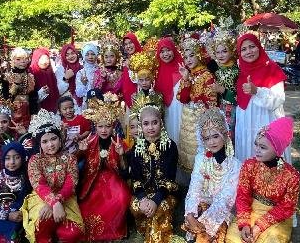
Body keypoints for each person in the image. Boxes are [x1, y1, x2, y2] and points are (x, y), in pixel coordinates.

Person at [227, 117, 300, 243]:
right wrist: (244, 224)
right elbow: (243, 196)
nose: (257, 150)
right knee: (233, 238)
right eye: (256, 144)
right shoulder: (249, 165)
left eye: (263, 147)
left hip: (276, 217)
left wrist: (259, 226)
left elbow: (286, 207)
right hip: (252, 210)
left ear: (277, 149)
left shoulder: (292, 176)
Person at [21, 110, 85, 243]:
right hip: (41, 197)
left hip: (66, 197)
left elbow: (71, 183)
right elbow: (39, 184)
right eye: (45, 141)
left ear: (60, 140)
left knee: (73, 233)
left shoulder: (70, 158)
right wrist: (53, 203)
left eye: (53, 139)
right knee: (42, 224)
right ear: (39, 144)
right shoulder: (35, 160)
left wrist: (57, 202)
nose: (50, 145)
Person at [77, 93, 131, 241]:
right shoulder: (90, 141)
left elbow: (125, 173)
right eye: (100, 126)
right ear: (95, 126)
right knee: (88, 207)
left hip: (114, 179)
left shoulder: (119, 142)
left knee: (121, 198)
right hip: (93, 180)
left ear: (113, 126)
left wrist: (121, 155)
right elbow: (76, 165)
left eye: (108, 126)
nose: (104, 130)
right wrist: (81, 151)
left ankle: (114, 229)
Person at [184, 108, 241, 243]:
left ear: (225, 135)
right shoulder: (201, 159)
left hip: (221, 212)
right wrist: (190, 215)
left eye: (215, 136)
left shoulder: (235, 165)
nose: (212, 142)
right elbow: (194, 188)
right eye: (207, 138)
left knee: (208, 236)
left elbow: (226, 199)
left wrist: (205, 222)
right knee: (197, 233)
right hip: (201, 205)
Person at [235, 34, 289, 163]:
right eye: (244, 49)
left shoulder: (272, 69)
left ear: (259, 47)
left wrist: (257, 91)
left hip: (266, 120)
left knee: (267, 151)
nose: (249, 51)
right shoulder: (241, 71)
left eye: (252, 46)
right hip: (246, 122)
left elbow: (278, 99)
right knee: (247, 152)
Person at [129, 104, 179, 243]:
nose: (150, 127)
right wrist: (142, 198)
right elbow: (135, 178)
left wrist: (156, 200)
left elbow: (169, 179)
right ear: (141, 126)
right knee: (135, 206)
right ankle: (146, 227)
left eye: (154, 122)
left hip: (165, 193)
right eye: (146, 124)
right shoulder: (137, 147)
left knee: (159, 208)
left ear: (161, 123)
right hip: (144, 194)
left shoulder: (170, 146)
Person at [177, 36, 218, 173]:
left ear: (199, 55)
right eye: (185, 57)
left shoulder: (207, 76)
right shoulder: (187, 74)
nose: (188, 60)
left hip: (201, 122)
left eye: (191, 55)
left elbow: (211, 103)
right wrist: (186, 79)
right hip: (188, 123)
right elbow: (182, 98)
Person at [0, 141, 31, 243]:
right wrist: (7, 215)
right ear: (3, 159)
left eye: (17, 157)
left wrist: (23, 214)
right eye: (7, 158)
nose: (12, 162)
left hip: (23, 218)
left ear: (22, 158)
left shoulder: (28, 177)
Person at [205, 29, 239, 141]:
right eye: (218, 52)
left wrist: (223, 90)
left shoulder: (237, 70)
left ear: (231, 50)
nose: (221, 55)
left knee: (230, 138)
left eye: (224, 51)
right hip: (219, 109)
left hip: (233, 110)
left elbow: (239, 97)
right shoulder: (216, 70)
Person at [155, 36, 184, 145]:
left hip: (180, 109)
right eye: (162, 51)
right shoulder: (157, 70)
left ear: (174, 50)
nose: (166, 54)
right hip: (166, 111)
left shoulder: (182, 66)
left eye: (168, 50)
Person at [3, 47, 36, 131]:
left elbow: (33, 97)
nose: (23, 61)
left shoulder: (30, 76)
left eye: (25, 59)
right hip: (12, 111)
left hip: (27, 111)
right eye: (18, 59)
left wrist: (33, 113)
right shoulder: (6, 77)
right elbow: (6, 97)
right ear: (12, 60)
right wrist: (16, 84)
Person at [129, 45, 165, 116]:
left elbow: (161, 113)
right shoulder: (135, 97)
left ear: (152, 80)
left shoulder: (158, 96)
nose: (144, 83)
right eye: (141, 80)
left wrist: (153, 98)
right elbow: (134, 114)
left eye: (147, 79)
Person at [30, 47, 60, 113]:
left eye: (46, 59)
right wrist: (41, 92)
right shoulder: (30, 74)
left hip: (53, 110)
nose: (44, 62)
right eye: (41, 59)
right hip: (37, 112)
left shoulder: (50, 73)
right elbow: (29, 99)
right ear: (36, 59)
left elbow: (56, 92)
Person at [55, 43, 83, 108]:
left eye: (72, 53)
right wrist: (65, 78)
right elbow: (58, 91)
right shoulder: (61, 69)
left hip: (82, 102)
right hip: (67, 105)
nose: (71, 56)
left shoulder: (82, 68)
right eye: (67, 55)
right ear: (63, 57)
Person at [120, 32, 143, 107]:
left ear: (135, 42)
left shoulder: (144, 59)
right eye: (125, 44)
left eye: (130, 43)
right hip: (128, 100)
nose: (128, 46)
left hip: (141, 100)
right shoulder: (126, 62)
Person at [75, 43, 100, 109]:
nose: (90, 57)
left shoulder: (101, 71)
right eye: (87, 54)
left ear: (96, 55)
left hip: (101, 104)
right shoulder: (81, 73)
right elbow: (79, 94)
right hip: (87, 106)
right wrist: (84, 84)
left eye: (93, 54)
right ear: (83, 56)